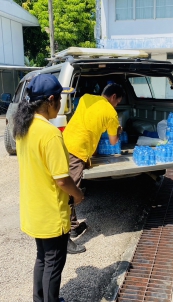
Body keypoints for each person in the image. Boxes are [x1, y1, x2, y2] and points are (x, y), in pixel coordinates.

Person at [13, 74, 84, 302]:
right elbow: (62, 179)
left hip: (34, 208)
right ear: (51, 100)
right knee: (54, 263)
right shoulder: (50, 133)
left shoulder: (24, 127)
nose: (61, 105)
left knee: (43, 258)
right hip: (51, 212)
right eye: (61, 100)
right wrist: (78, 194)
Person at [63, 83, 124, 254]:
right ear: (113, 97)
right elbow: (113, 142)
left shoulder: (86, 98)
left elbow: (89, 122)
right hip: (77, 151)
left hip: (64, 142)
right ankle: (64, 238)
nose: (117, 105)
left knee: (68, 189)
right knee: (69, 193)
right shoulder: (111, 113)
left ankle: (73, 226)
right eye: (118, 102)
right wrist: (118, 131)